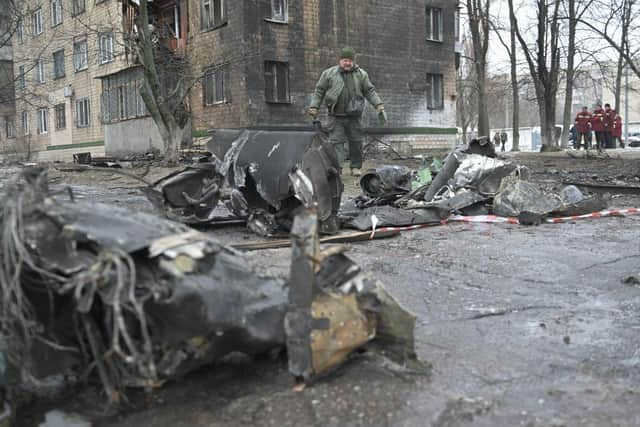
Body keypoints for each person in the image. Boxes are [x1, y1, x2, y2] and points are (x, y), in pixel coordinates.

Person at [308, 47, 386, 177]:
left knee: (356, 142)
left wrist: (378, 105)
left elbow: (369, 91)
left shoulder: (361, 74)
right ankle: (337, 168)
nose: (347, 63)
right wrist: (314, 106)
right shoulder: (329, 74)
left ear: (353, 61)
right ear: (340, 60)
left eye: (350, 60)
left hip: (354, 116)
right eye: (345, 60)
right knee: (336, 143)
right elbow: (319, 91)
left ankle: (355, 167)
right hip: (336, 116)